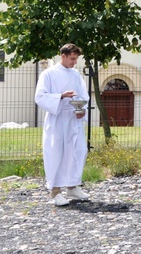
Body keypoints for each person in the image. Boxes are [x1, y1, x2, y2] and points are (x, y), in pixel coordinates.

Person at [34, 43, 91, 207]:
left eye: (76, 59)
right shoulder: (48, 74)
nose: (75, 62)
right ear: (63, 56)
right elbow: (40, 96)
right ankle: (55, 190)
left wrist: (81, 109)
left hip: (73, 119)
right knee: (56, 152)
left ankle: (72, 186)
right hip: (57, 118)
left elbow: (82, 95)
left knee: (78, 150)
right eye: (72, 59)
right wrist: (60, 96)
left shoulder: (75, 75)